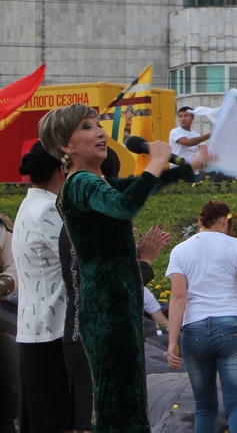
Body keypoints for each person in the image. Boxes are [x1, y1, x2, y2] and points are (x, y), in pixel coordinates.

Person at [40, 103, 204, 433]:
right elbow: (125, 205)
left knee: (130, 398)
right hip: (104, 304)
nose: (100, 132)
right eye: (87, 127)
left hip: (120, 301)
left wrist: (189, 167)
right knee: (116, 401)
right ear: (65, 146)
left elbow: (134, 188)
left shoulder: (99, 182)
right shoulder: (80, 184)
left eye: (98, 125)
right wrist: (155, 161)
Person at [167, 200, 237, 433]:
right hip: (231, 327)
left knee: (204, 406)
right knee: (235, 403)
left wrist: (172, 342)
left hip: (194, 330)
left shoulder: (180, 250)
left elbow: (178, 296)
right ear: (225, 222)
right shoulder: (235, 246)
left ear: (200, 222)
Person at [12, 142, 69, 433]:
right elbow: (79, 261)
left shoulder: (29, 204)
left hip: (34, 329)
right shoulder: (49, 209)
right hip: (53, 330)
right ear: (63, 169)